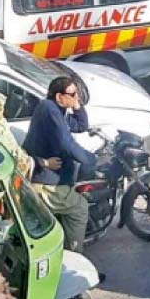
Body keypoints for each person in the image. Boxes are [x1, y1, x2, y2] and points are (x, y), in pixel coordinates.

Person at [23, 76, 95, 252]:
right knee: (80, 209)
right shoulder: (49, 110)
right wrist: (90, 160)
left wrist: (77, 105)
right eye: (72, 93)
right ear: (58, 96)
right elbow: (66, 143)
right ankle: (76, 259)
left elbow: (81, 126)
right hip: (45, 182)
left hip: (52, 176)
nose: (76, 96)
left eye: (77, 93)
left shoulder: (57, 110)